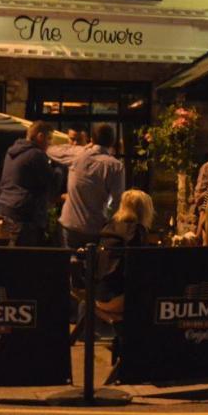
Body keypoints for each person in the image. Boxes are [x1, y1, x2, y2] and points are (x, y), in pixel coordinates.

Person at [48, 122, 125, 250]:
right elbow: (117, 201)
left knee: (69, 265)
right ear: (112, 142)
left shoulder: (78, 154)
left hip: (70, 223)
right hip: (96, 226)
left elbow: (51, 150)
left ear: (91, 139)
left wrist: (85, 148)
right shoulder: (115, 166)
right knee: (94, 265)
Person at [95, 189, 167, 317]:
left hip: (98, 293)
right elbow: (139, 269)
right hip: (118, 297)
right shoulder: (136, 231)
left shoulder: (110, 226)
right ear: (144, 210)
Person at [0, 121, 59, 246]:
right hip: (25, 212)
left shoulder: (12, 152)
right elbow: (51, 182)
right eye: (49, 138)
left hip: (7, 207)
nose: (50, 143)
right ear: (40, 136)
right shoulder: (36, 154)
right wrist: (59, 168)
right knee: (25, 254)